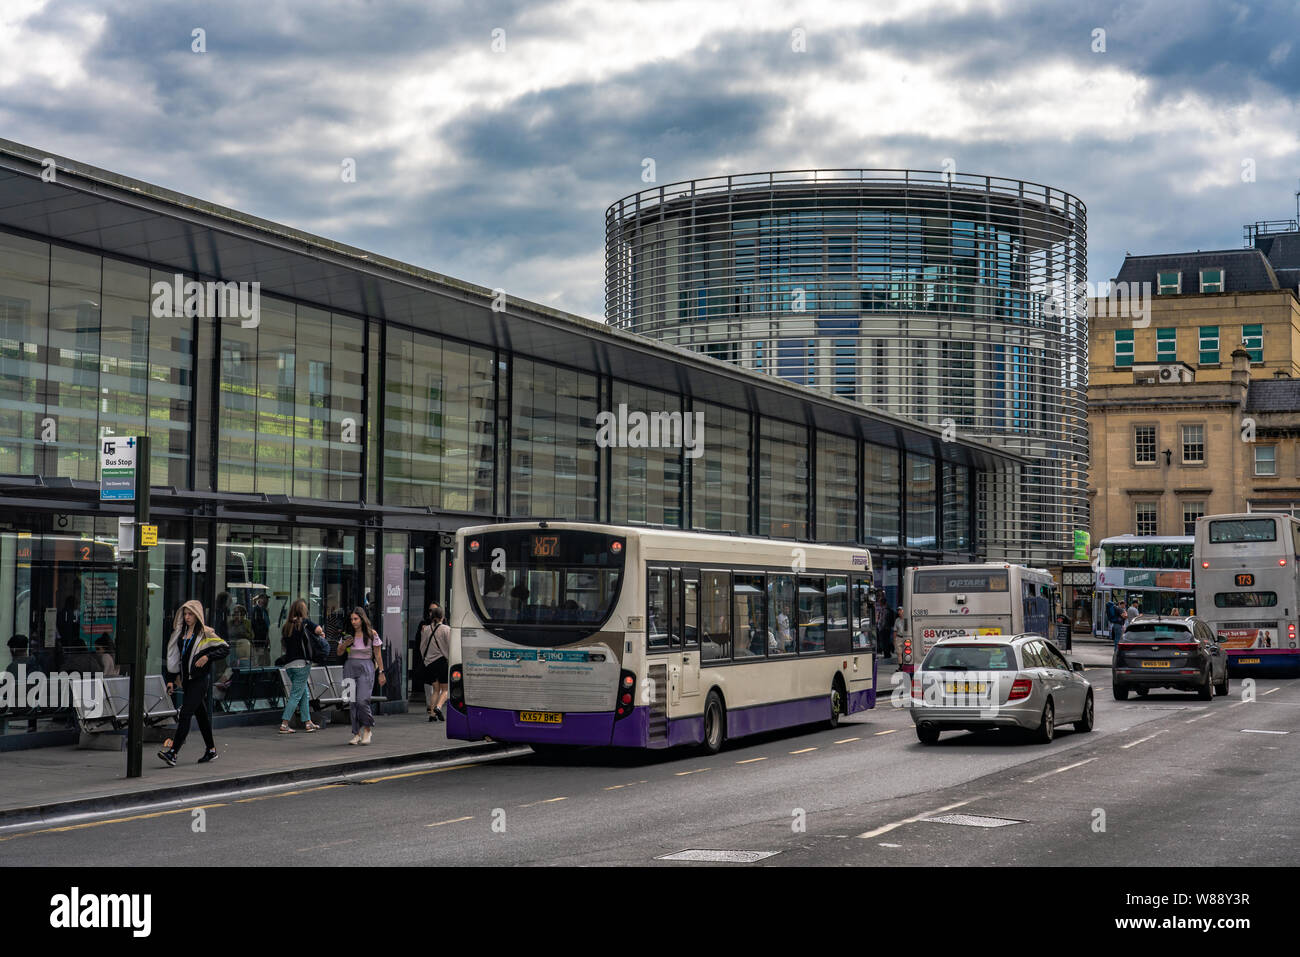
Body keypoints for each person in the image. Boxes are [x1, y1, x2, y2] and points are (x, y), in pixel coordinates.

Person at [158, 600, 229, 767]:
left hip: (200, 681)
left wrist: (207, 657)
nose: (187, 617)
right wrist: (170, 680)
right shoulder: (180, 633)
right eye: (185, 614)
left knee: (185, 714)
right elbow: (174, 657)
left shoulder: (206, 633)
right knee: (202, 716)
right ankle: (211, 750)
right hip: (186, 681)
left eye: (190, 614)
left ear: (197, 616)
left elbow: (225, 648)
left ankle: (173, 753)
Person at [338, 607, 386, 745]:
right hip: (349, 668)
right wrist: (345, 644)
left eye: (356, 619)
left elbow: (377, 655)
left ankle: (367, 729)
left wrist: (382, 673)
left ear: (362, 619)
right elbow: (339, 653)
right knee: (352, 702)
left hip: (366, 668)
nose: (353, 622)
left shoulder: (371, 634)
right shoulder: (347, 635)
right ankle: (356, 734)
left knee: (362, 700)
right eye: (352, 619)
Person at [278, 598, 324, 734]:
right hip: (302, 664)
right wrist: (321, 633)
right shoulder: (305, 622)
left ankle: (308, 722)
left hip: (289, 665)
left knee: (304, 693)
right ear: (303, 611)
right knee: (296, 695)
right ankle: (285, 723)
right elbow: (318, 629)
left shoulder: (287, 626)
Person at [422, 606, 450, 722]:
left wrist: (426, 659)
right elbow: (450, 646)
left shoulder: (426, 629)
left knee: (435, 689)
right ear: (442, 616)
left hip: (429, 663)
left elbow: (422, 646)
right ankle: (438, 707)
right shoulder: (446, 629)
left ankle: (432, 715)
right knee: (445, 689)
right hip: (441, 661)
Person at [414, 603, 439, 721]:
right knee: (429, 684)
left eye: (434, 610)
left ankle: (435, 706)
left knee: (438, 684)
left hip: (439, 658)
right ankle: (431, 706)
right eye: (430, 610)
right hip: (428, 659)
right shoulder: (423, 625)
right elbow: (419, 642)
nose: (432, 613)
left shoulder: (443, 625)